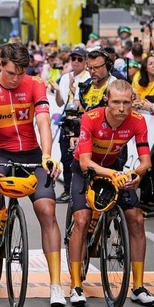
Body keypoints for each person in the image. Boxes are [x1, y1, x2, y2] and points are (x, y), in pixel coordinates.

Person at [0, 42, 65, 307]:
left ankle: (56, 285)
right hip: (0, 151)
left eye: (21, 73)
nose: (16, 78)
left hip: (32, 154)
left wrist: (47, 156)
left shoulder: (34, 83)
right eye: (11, 72)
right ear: (0, 64)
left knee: (48, 211)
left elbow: (44, 121)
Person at [68, 80, 154, 306]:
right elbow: (86, 161)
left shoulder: (137, 120)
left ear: (132, 101)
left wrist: (137, 174)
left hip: (114, 170)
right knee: (82, 219)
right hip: (86, 170)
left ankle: (137, 287)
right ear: (107, 100)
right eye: (116, 102)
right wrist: (112, 174)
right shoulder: (91, 118)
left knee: (136, 218)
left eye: (126, 102)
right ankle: (75, 285)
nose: (121, 108)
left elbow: (146, 161)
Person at [50, 47, 90, 204]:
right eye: (74, 59)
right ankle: (67, 189)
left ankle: (81, 190)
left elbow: (82, 103)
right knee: (65, 157)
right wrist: (59, 90)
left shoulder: (87, 77)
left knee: (80, 158)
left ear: (85, 61)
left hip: (80, 121)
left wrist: (74, 89)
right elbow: (60, 102)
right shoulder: (66, 77)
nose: (76, 62)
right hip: (67, 119)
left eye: (80, 59)